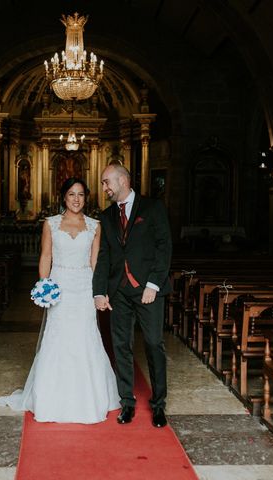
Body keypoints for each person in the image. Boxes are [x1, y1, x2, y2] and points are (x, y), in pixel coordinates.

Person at [0, 178, 120, 423]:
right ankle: (53, 398)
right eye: (72, 194)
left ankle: (88, 398)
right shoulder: (50, 224)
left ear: (87, 198)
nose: (76, 199)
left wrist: (100, 291)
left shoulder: (95, 225)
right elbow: (46, 256)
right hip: (60, 284)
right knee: (59, 337)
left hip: (84, 286)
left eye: (81, 195)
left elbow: (96, 263)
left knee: (85, 336)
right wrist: (45, 285)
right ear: (63, 197)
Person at [93, 164, 172, 428]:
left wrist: (153, 284)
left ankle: (159, 404)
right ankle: (127, 402)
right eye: (104, 184)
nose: (104, 188)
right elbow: (104, 257)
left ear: (123, 180)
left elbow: (164, 248)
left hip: (148, 290)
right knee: (121, 347)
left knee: (153, 344)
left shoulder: (153, 208)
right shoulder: (106, 217)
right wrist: (99, 291)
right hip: (119, 292)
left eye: (107, 182)